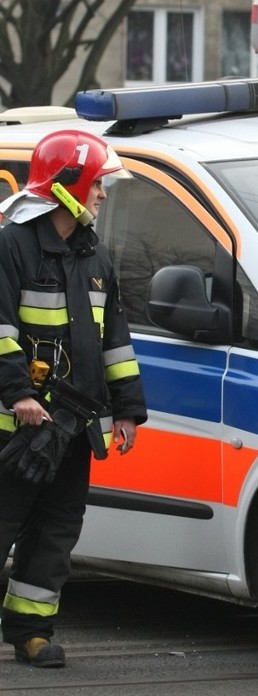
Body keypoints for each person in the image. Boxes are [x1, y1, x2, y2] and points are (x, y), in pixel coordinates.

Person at [0, 129, 147, 668]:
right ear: (68, 187)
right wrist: (17, 394)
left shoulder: (94, 256)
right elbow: (0, 330)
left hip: (73, 425)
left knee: (57, 530)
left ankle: (32, 631)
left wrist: (127, 410)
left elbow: (115, 342)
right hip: (18, 426)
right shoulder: (10, 245)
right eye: (98, 185)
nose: (103, 195)